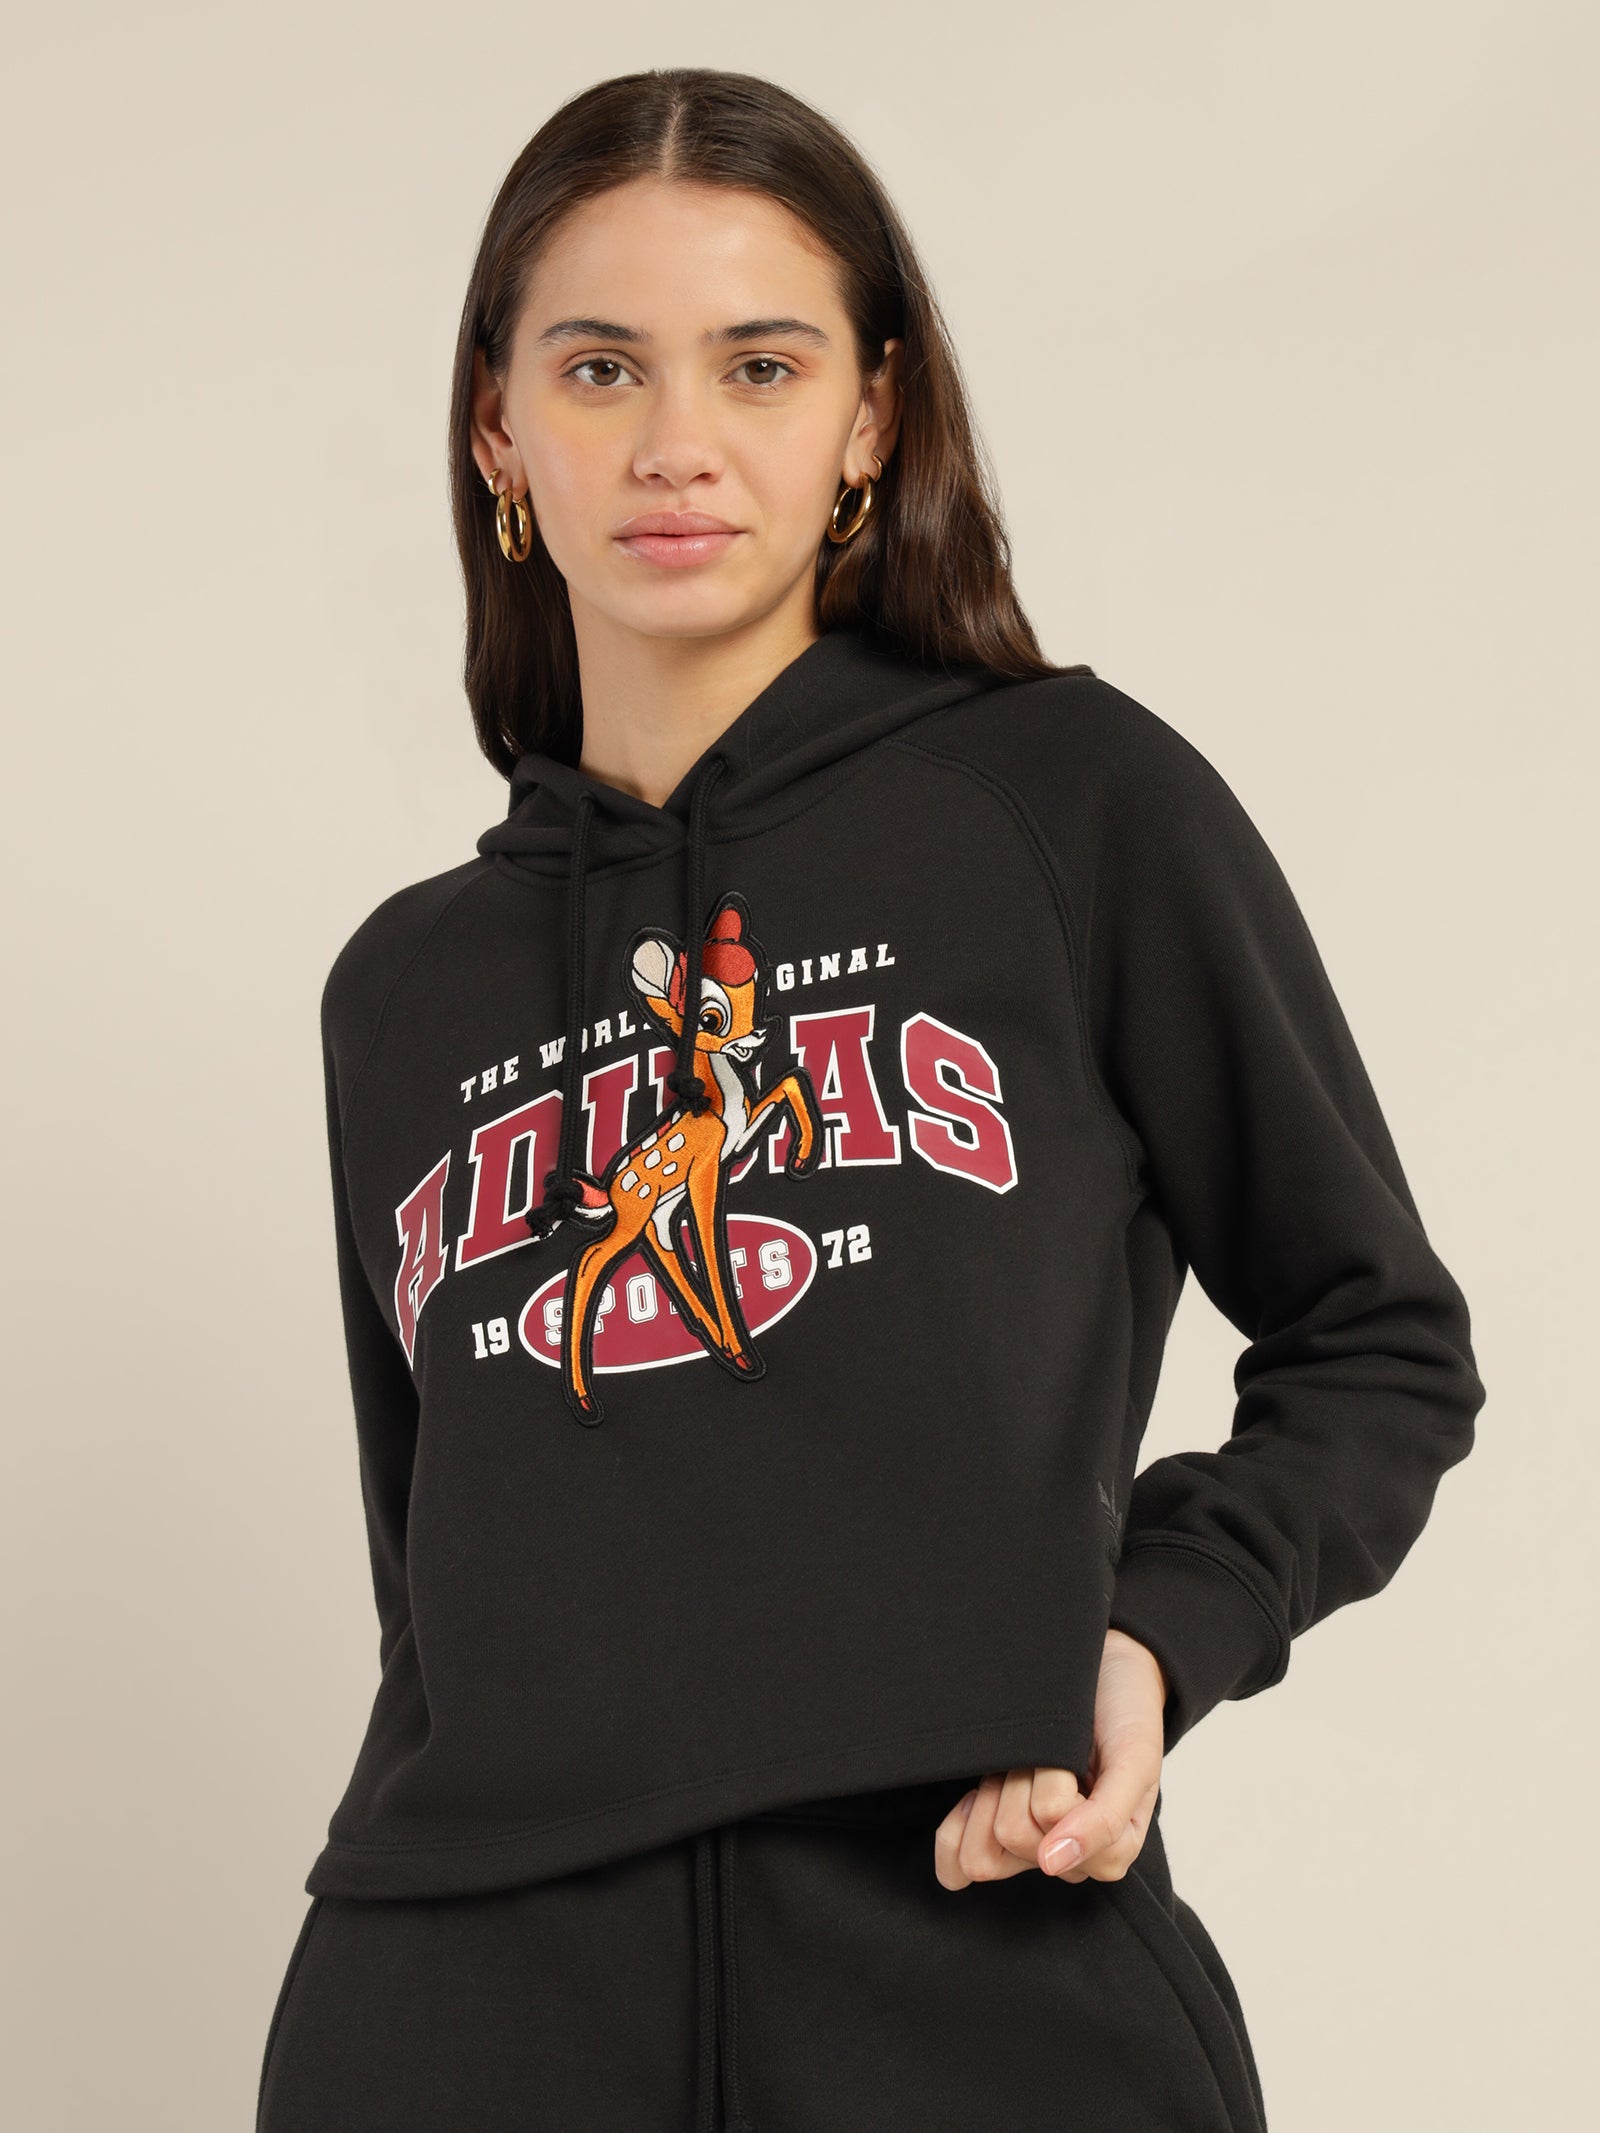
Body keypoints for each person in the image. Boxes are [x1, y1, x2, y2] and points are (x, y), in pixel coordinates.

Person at [255, 66, 1485, 2133]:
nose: (675, 442)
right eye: (598, 367)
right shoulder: (404, 991)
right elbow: (438, 1581)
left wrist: (1152, 1635)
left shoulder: (1071, 810)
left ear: (869, 417)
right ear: (497, 431)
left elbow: (1377, 1334)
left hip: (982, 1960)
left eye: (759, 365)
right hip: (453, 2018)